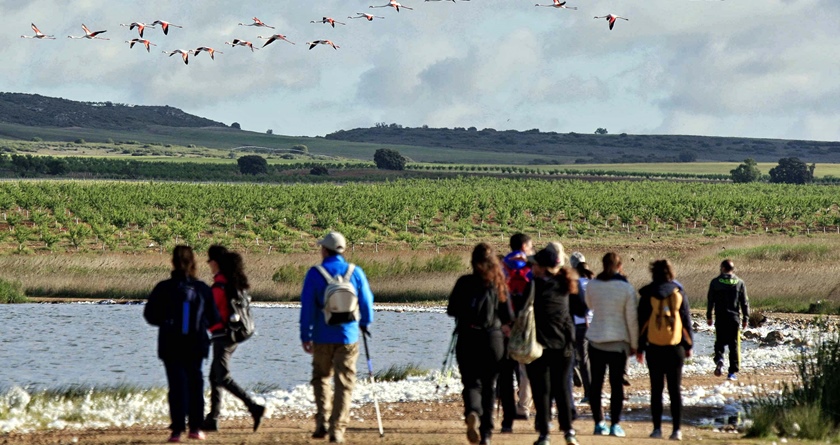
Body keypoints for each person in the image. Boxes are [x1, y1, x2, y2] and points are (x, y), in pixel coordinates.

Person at [299, 232, 374, 444]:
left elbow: (307, 308)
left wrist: (306, 335)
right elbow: (367, 301)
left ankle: (322, 422)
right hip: (348, 337)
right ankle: (338, 429)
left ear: (325, 250)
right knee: (344, 383)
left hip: (322, 336)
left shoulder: (315, 273)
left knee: (321, 377)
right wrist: (364, 323)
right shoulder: (355, 272)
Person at [144, 245, 220, 443]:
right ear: (193, 262)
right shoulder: (202, 288)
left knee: (176, 386)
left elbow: (149, 316)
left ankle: (177, 430)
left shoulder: (163, 288)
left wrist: (166, 321)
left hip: (171, 344)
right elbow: (214, 319)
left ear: (173, 262)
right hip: (196, 344)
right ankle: (195, 428)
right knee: (196, 384)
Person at [447, 243, 513, 445]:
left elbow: (451, 310)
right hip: (493, 340)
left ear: (473, 261)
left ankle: (472, 411)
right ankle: (486, 433)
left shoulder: (464, 282)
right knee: (489, 386)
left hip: (468, 337)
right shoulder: (498, 283)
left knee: (471, 382)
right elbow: (508, 315)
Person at [203, 247, 266, 433]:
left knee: (221, 376)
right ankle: (212, 418)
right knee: (215, 376)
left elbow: (210, 313)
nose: (208, 264)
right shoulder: (234, 283)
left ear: (216, 262)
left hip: (222, 336)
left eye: (209, 260)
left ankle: (254, 407)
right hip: (232, 335)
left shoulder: (219, 286)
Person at [525, 244, 583, 445]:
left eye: (534, 265)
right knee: (562, 389)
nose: (531, 268)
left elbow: (520, 310)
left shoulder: (533, 285)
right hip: (565, 344)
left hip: (539, 344)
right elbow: (580, 310)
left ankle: (544, 435)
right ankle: (569, 432)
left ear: (541, 267)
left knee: (541, 390)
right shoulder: (568, 284)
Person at [637, 260, 694, 441]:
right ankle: (676, 430)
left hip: (654, 348)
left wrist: (639, 348)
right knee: (674, 390)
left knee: (656, 390)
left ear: (653, 272)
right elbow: (686, 320)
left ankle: (657, 429)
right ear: (671, 272)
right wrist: (689, 345)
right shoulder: (678, 292)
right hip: (675, 347)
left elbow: (642, 323)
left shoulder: (647, 293)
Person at [585, 252, 638, 438]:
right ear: (619, 265)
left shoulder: (593, 284)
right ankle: (615, 424)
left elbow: (589, 306)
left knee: (596, 385)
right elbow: (632, 319)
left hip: (596, 339)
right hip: (618, 342)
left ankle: (599, 423)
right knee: (616, 386)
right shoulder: (626, 288)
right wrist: (635, 343)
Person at [499, 233, 534, 432]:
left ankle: (507, 414)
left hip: (504, 323)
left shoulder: (501, 267)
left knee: (505, 372)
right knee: (525, 367)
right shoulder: (530, 268)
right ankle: (524, 407)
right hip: (524, 323)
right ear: (523, 246)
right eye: (530, 246)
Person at [706, 259, 749, 381]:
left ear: (723, 268)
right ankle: (731, 372)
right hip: (734, 317)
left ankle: (719, 358)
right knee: (734, 345)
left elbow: (710, 301)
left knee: (719, 342)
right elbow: (744, 302)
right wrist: (746, 317)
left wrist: (709, 316)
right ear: (732, 269)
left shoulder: (715, 282)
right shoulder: (740, 282)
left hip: (720, 317)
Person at [569, 252, 593, 405]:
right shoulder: (594, 282)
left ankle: (573, 368)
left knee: (579, 358)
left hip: (579, 325)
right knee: (593, 360)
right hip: (597, 325)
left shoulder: (573, 284)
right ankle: (592, 392)